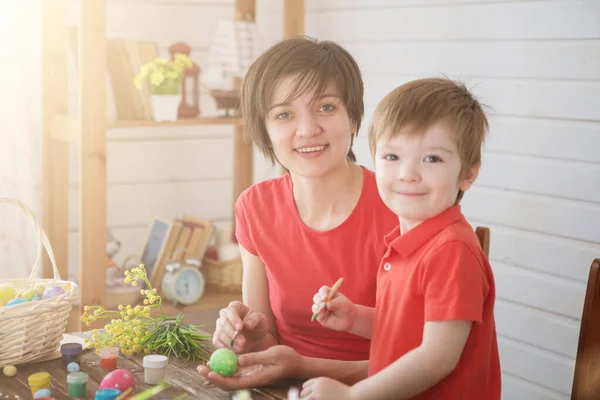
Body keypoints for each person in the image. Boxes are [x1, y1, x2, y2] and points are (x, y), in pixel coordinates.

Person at [197, 36, 397, 384]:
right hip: (289, 388)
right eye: (284, 114)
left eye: (326, 108)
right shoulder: (255, 207)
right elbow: (267, 341)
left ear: (353, 117)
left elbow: (423, 358)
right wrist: (249, 334)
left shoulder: (400, 208)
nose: (307, 130)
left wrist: (307, 368)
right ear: (265, 130)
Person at [300, 77, 501, 399]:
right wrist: (355, 317)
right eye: (392, 157)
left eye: (432, 158)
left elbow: (436, 358)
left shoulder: (452, 251)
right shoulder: (407, 243)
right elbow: (409, 330)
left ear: (468, 173)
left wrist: (352, 396)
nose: (408, 173)